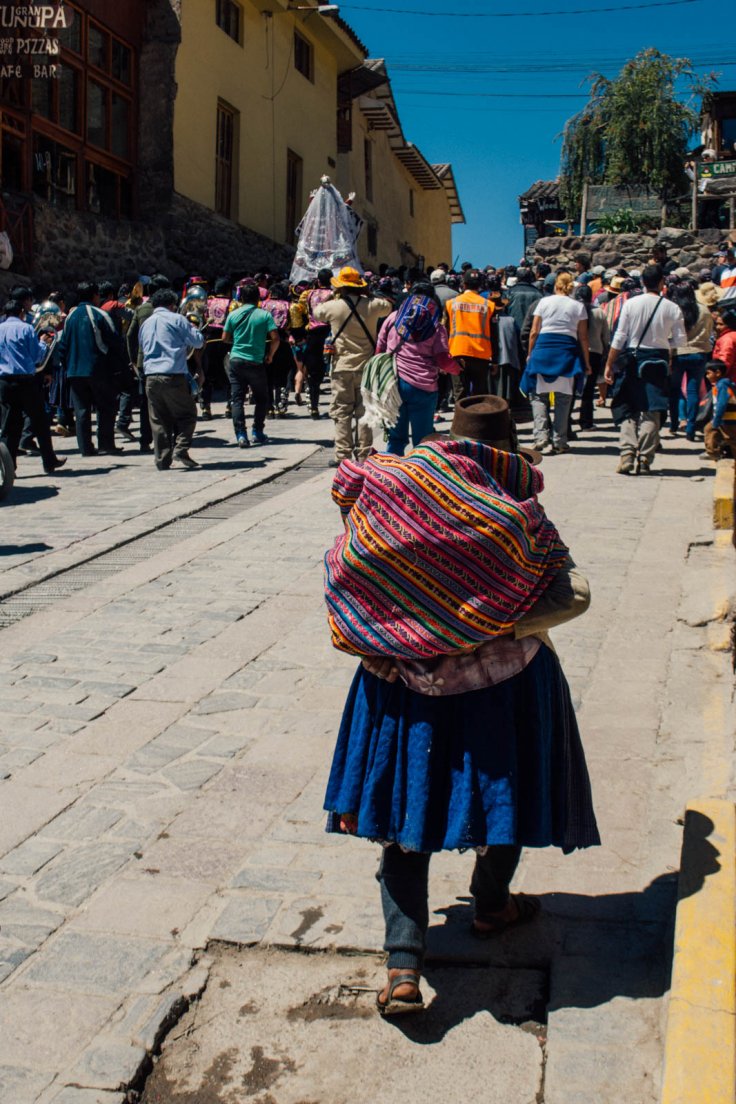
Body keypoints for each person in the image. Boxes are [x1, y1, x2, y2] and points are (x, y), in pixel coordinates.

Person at [322, 395, 599, 1016]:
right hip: (504, 684)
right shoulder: (514, 514)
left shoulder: (389, 491)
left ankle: (402, 965)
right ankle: (493, 904)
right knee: (506, 795)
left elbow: (358, 564)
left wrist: (417, 621)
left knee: (403, 810)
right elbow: (574, 592)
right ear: (506, 454)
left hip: (399, 681)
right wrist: (483, 620)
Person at [603, 264, 687, 476]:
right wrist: (662, 340)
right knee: (653, 409)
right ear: (662, 283)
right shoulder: (672, 308)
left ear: (642, 282)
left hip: (633, 359)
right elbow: (680, 340)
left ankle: (627, 454)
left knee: (627, 407)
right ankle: (645, 458)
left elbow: (620, 337)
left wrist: (609, 364)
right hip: (658, 361)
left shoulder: (631, 304)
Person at [311, 267, 391, 466]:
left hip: (342, 367)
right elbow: (388, 306)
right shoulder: (373, 305)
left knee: (341, 412)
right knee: (365, 412)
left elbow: (316, 312)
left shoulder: (333, 306)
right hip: (367, 367)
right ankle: (364, 454)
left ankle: (343, 455)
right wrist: (369, 294)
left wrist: (332, 295)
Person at [374, 285, 459, 455]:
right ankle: (419, 476)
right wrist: (458, 369)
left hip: (394, 384)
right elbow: (442, 359)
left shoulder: (393, 318)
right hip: (423, 387)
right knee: (423, 440)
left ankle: (392, 475)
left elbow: (379, 350)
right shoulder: (436, 326)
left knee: (396, 438)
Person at [521, 272, 590, 454]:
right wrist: (587, 362)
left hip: (543, 349)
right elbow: (583, 338)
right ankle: (560, 440)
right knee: (563, 398)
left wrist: (530, 354)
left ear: (555, 285)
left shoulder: (544, 302)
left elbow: (534, 331)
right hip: (567, 352)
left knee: (538, 396)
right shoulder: (578, 306)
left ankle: (541, 437)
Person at [139, 287, 205, 470]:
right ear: (172, 305)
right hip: (173, 375)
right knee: (188, 414)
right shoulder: (177, 319)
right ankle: (181, 448)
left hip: (151, 376)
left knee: (159, 419)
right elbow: (198, 341)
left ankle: (162, 459)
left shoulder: (147, 323)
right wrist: (193, 327)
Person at [57, 281, 124, 458]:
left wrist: (66, 365)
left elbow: (62, 345)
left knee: (81, 411)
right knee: (105, 407)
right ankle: (106, 443)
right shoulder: (99, 314)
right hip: (97, 368)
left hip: (74, 371)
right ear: (95, 295)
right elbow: (113, 340)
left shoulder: (70, 317)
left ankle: (85, 448)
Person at [0, 297, 66, 476]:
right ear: (22, 313)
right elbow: (37, 356)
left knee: (9, 425)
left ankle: (8, 466)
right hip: (26, 381)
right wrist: (44, 343)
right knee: (40, 422)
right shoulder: (26, 328)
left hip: (5, 382)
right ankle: (49, 461)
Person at [222, 282, 279, 448]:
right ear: (258, 298)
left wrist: (238, 342)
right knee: (262, 398)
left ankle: (241, 434)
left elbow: (225, 338)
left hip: (236, 360)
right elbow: (275, 338)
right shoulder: (264, 315)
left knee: (237, 398)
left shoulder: (233, 315)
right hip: (256, 361)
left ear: (240, 298)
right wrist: (270, 355)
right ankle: (257, 432)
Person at [668, 281, 715, 441]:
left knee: (674, 390)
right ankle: (691, 427)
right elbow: (709, 332)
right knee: (693, 391)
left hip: (678, 353)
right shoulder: (704, 310)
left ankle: (674, 424)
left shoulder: (674, 310)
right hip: (699, 353)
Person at [446, 269, 495, 401]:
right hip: (482, 354)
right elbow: (494, 334)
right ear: (480, 285)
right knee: (480, 394)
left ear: (464, 284)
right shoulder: (489, 305)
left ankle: (461, 421)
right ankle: (479, 421)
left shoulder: (451, 304)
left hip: (458, 352)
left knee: (460, 394)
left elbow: (445, 330)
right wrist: (495, 360)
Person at [298, 269, 334, 419]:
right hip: (330, 333)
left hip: (313, 335)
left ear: (318, 281)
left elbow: (302, 311)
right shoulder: (334, 294)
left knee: (314, 374)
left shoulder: (308, 294)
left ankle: (314, 407)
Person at [574, 284, 610, 431]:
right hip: (595, 352)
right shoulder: (599, 313)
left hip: (576, 351)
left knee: (571, 387)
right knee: (589, 389)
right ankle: (586, 421)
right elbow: (606, 337)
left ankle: (566, 419)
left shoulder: (574, 311)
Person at [702, 359, 736, 459]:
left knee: (730, 439)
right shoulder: (724, 384)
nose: (706, 376)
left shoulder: (722, 386)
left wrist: (716, 420)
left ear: (717, 373)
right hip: (726, 419)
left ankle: (714, 453)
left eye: (708, 373)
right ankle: (716, 453)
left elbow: (722, 404)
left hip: (726, 420)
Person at [713, 307, 736, 382]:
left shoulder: (727, 339)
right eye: (717, 324)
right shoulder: (732, 335)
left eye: (721, 324)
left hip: (729, 378)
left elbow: (725, 360)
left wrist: (717, 376)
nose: (717, 327)